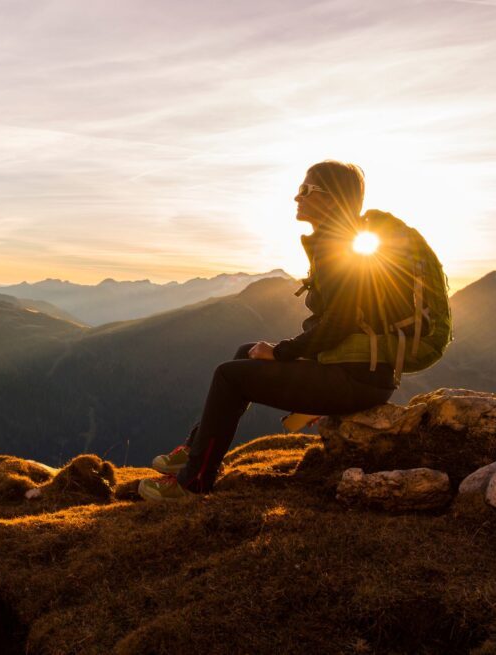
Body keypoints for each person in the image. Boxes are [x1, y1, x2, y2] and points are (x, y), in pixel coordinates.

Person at [139, 160, 409, 502]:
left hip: (356, 381)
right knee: (246, 352)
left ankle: (194, 483)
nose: (297, 197)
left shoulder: (342, 250)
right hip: (359, 373)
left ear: (332, 199)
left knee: (229, 376)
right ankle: (194, 453)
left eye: (307, 190)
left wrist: (282, 352)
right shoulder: (343, 243)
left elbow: (339, 324)